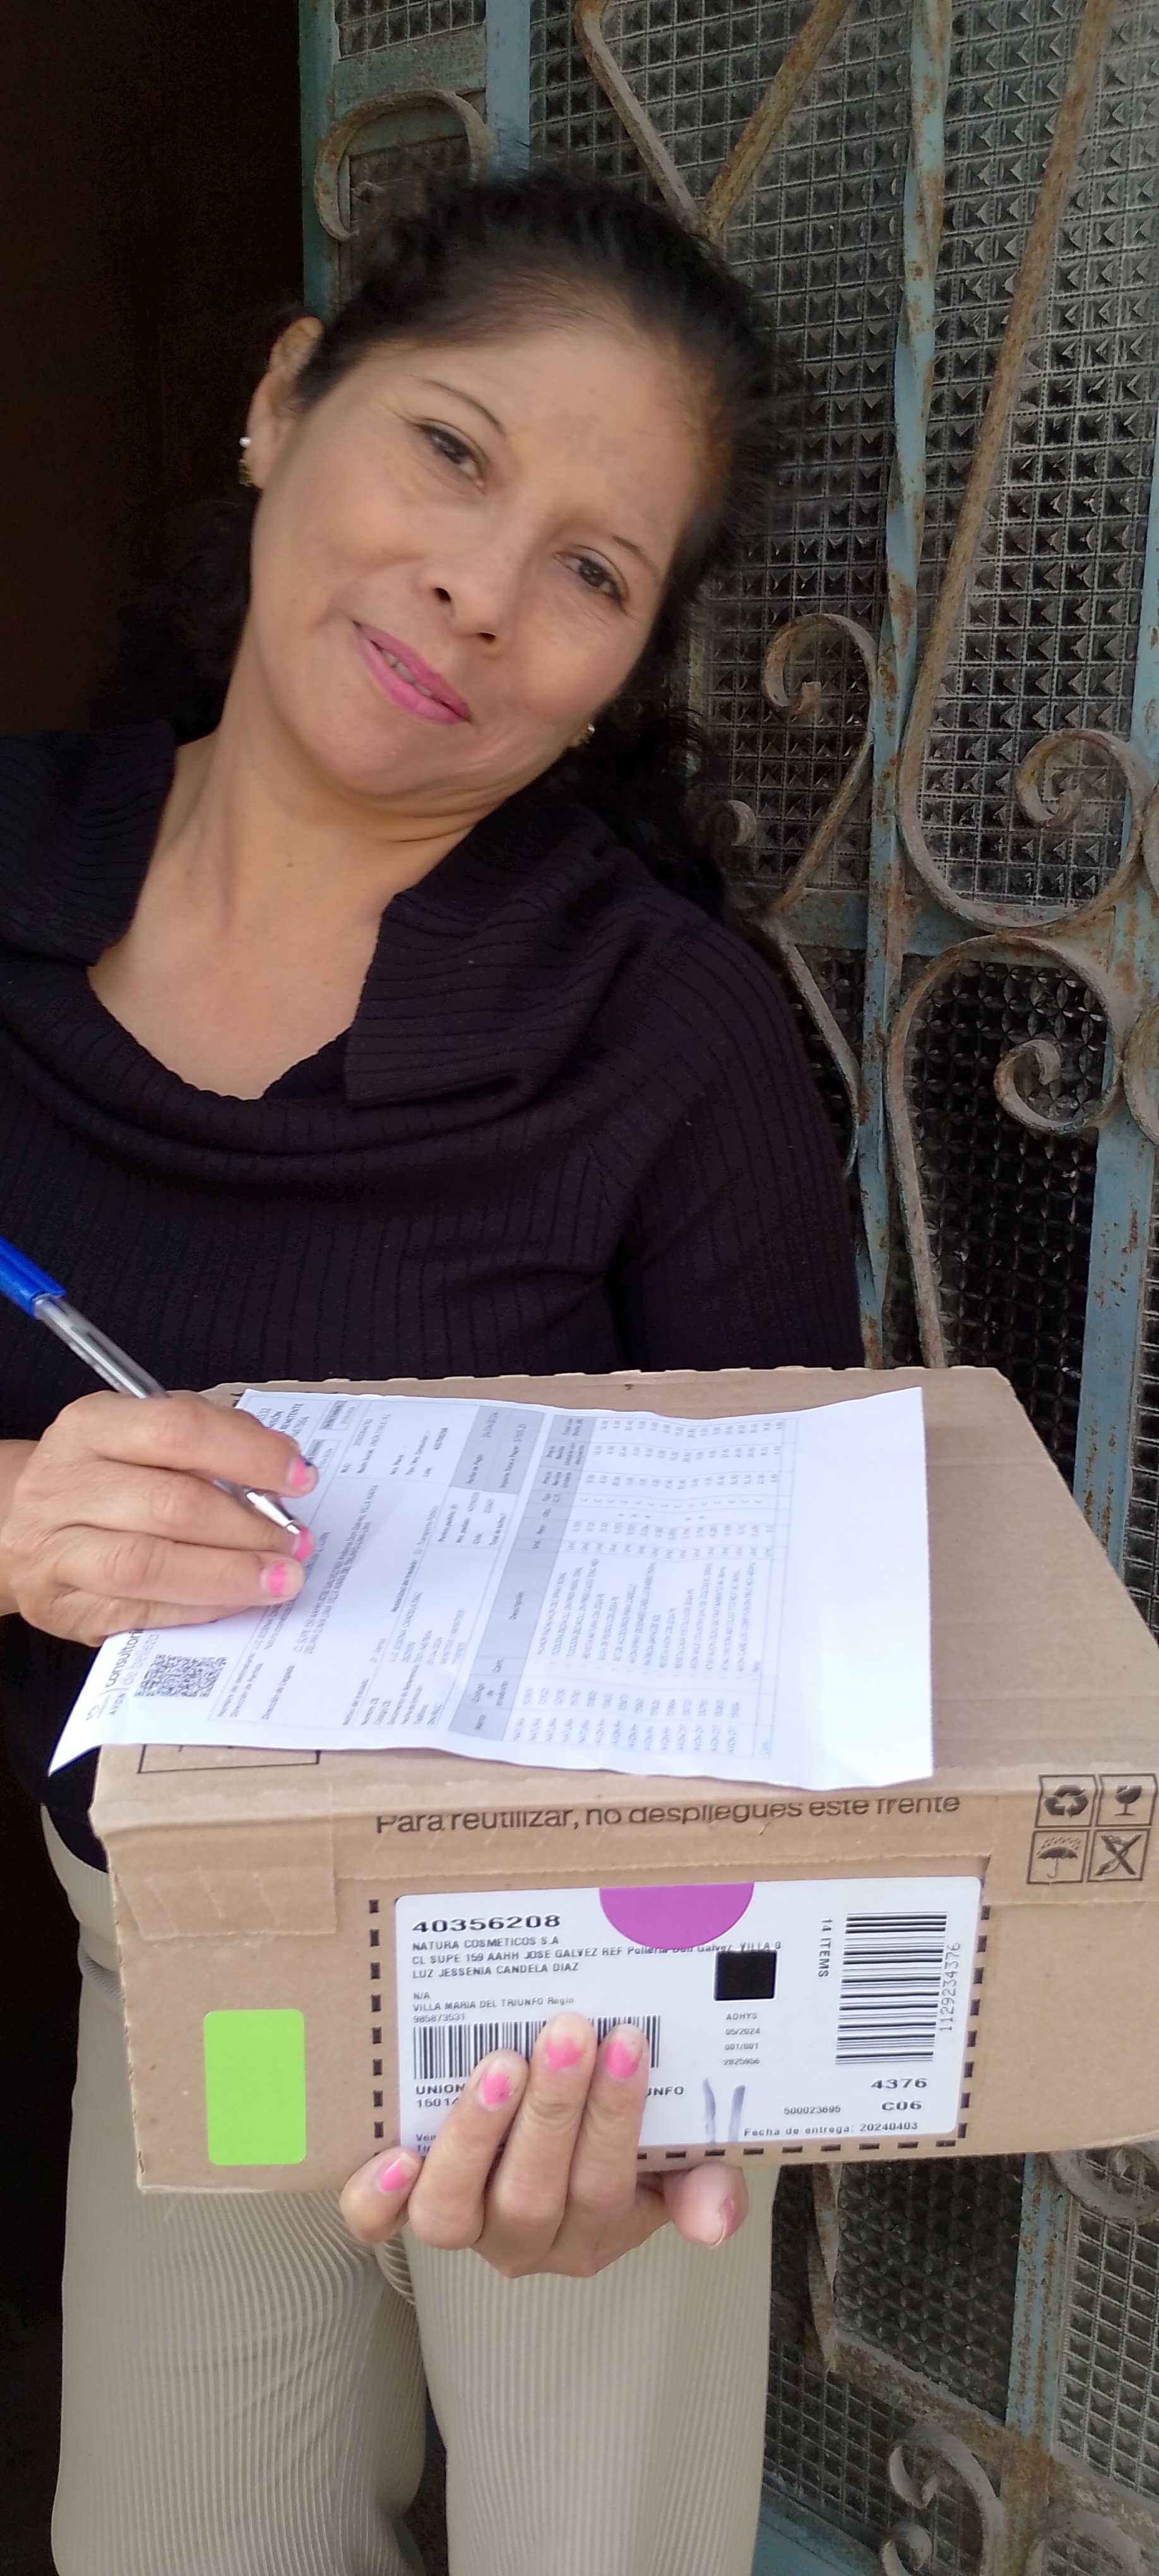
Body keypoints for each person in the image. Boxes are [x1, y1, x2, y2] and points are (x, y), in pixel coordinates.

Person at [0, 167, 861, 2576]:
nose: (481, 586)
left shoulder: (663, 1043)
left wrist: (688, 2083)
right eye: (452, 451)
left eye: (590, 566)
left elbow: (805, 1658)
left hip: (592, 2012)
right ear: (289, 401)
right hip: (185, 1948)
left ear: (623, 662)